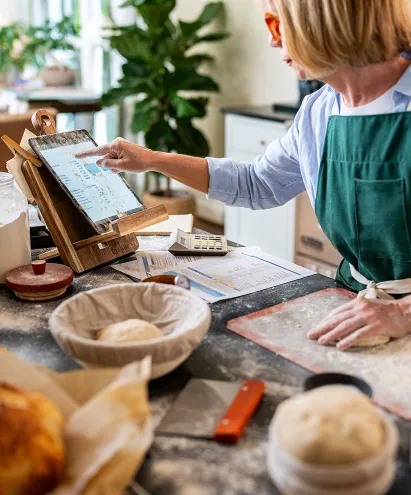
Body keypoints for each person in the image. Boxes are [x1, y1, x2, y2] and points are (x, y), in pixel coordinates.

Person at [76, 0, 411, 351]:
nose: (272, 41)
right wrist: (151, 159)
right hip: (355, 300)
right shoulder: (318, 112)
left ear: (321, 24)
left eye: (277, 24)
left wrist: (401, 313)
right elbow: (256, 184)